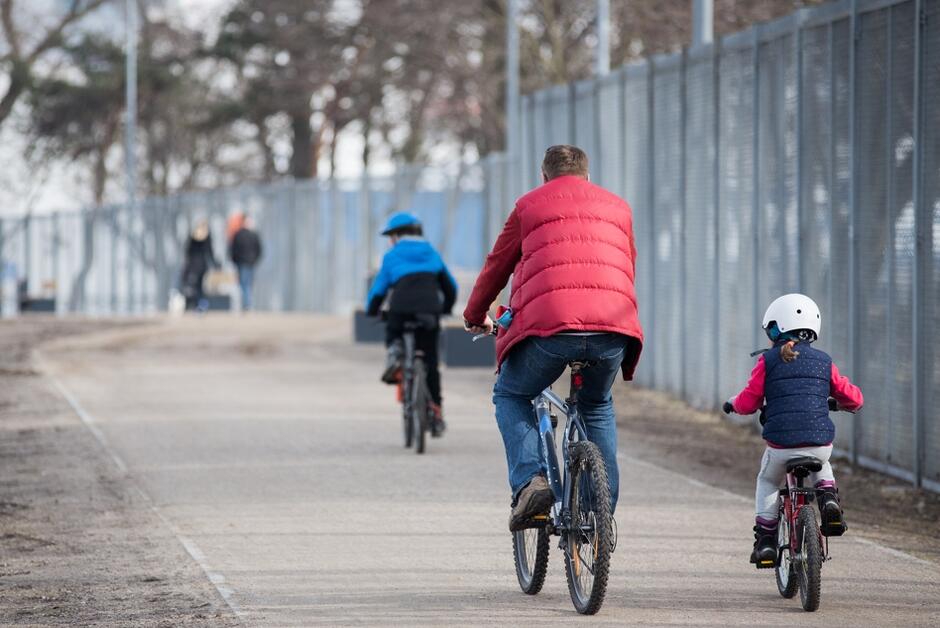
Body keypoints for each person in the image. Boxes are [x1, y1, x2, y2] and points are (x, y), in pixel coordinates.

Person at [463, 144, 643, 532]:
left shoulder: (529, 206)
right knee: (596, 405)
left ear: (544, 176)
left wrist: (474, 315)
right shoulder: (619, 207)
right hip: (613, 326)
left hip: (551, 328)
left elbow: (498, 265)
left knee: (511, 393)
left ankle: (532, 482)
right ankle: (600, 515)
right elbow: (627, 264)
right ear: (587, 176)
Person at [723, 293, 863, 566]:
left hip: (781, 445)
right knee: (822, 460)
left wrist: (732, 405)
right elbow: (853, 397)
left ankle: (765, 542)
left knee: (766, 481)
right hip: (820, 442)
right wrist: (846, 404)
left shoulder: (768, 361)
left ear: (777, 329)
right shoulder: (824, 361)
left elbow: (749, 400)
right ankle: (828, 501)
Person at [366, 212, 458, 436]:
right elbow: (450, 287)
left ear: (397, 235)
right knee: (431, 363)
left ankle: (395, 352)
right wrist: (445, 308)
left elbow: (379, 290)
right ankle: (435, 412)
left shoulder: (392, 255)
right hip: (429, 310)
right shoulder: (431, 253)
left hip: (400, 309)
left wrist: (372, 310)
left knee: (393, 329)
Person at [181, 220, 219, 312]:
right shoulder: (206, 237)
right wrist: (215, 264)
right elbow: (210, 252)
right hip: (202, 265)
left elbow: (188, 251)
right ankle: (201, 304)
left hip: (193, 265)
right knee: (200, 286)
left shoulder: (192, 237)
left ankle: (198, 304)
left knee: (195, 285)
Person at [229, 216, 263, 311]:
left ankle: (247, 304)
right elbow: (259, 250)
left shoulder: (239, 234)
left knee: (245, 284)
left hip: (243, 262)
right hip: (248, 263)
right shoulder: (252, 235)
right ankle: (247, 304)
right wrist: (255, 260)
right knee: (247, 284)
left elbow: (233, 250)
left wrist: (235, 260)